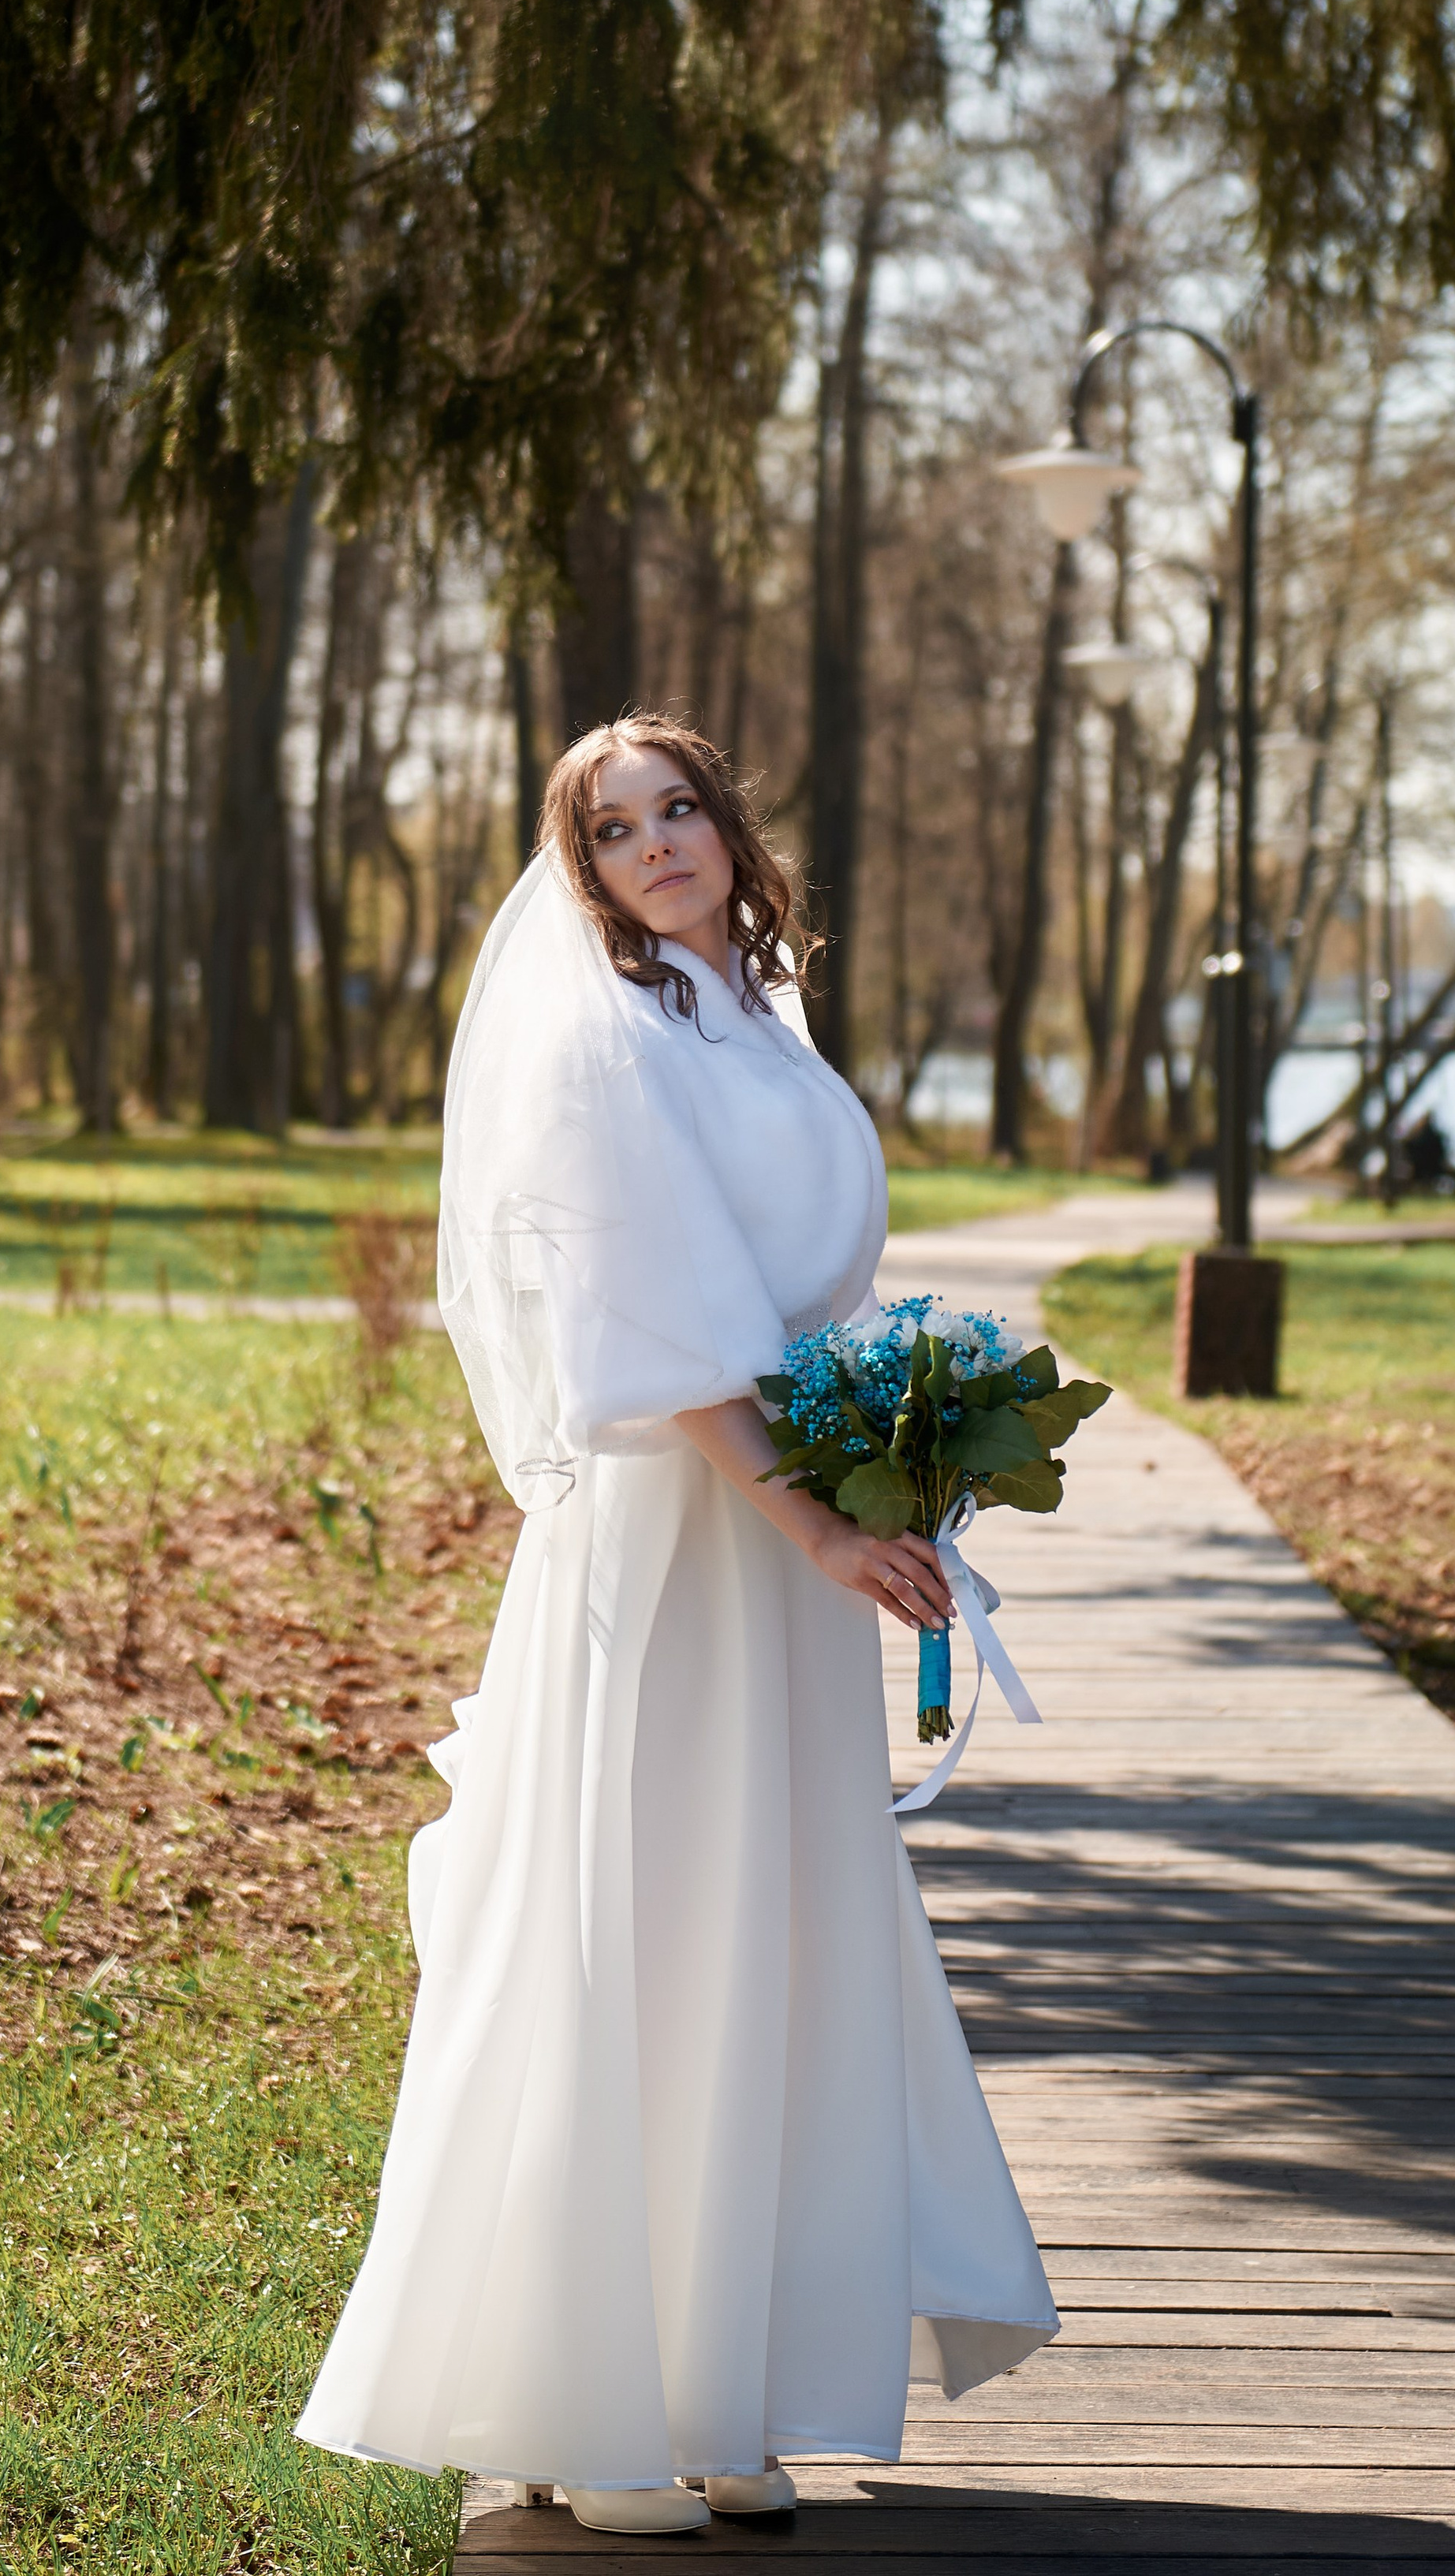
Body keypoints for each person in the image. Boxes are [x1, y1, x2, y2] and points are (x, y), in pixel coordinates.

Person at [297, 715, 1055, 2537]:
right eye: (613, 824)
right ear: (582, 866)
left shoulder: (757, 1008)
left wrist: (898, 1460)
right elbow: (651, 1322)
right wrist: (803, 1517)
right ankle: (589, 2402)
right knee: (644, 1918)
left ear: (725, 824)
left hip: (795, 1548)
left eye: (677, 807)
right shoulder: (591, 1038)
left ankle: (734, 2390)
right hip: (676, 1540)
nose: (654, 841)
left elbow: (803, 1292)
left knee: (770, 1930)